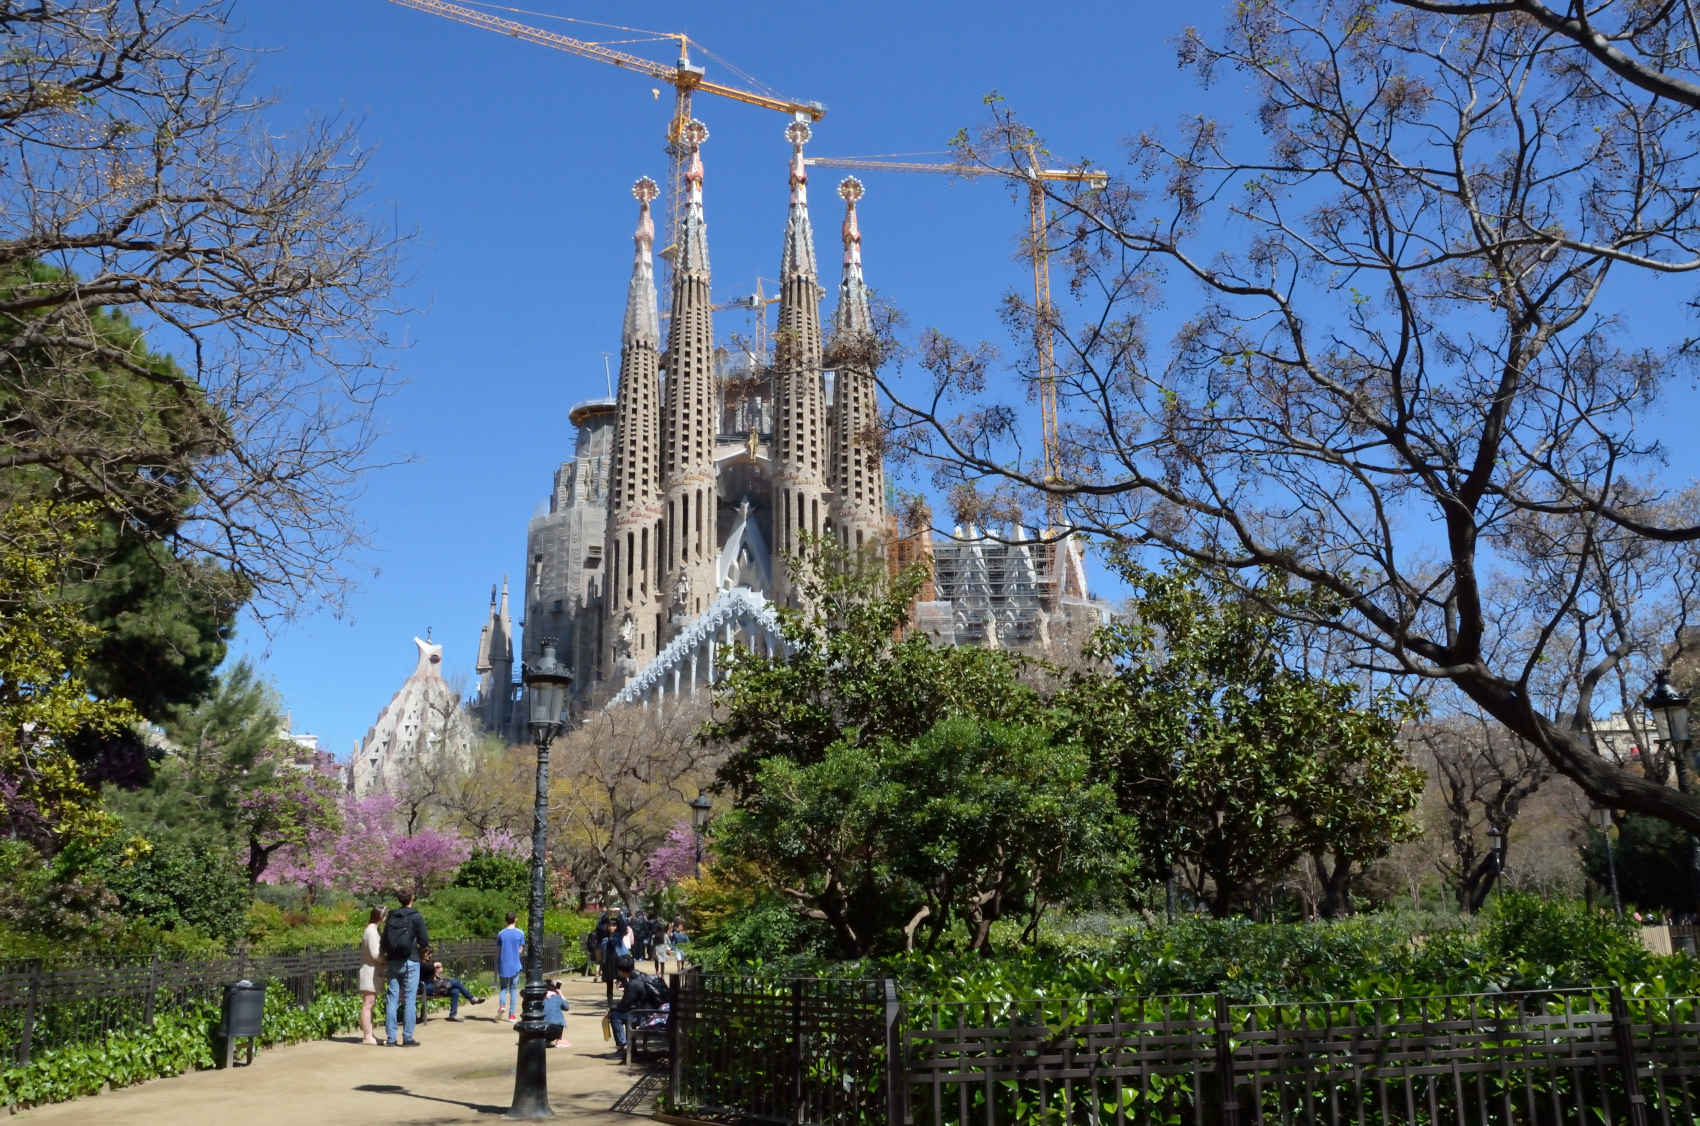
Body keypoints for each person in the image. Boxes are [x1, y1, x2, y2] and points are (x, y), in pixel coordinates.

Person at [382, 888, 430, 1046]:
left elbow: (384, 940)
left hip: (393, 961)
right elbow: (424, 940)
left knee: (392, 998)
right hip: (411, 960)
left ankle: (391, 1038)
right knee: (410, 999)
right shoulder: (416, 916)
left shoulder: (391, 916)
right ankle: (407, 1037)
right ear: (412, 899)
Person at [606, 955, 667, 1059]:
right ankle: (631, 1048)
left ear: (621, 971)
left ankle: (623, 1047)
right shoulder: (641, 975)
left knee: (615, 1016)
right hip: (653, 1011)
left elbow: (624, 1005)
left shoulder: (633, 984)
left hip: (645, 1015)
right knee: (625, 1014)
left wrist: (611, 1009)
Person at [420, 947, 484, 1020]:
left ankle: (452, 1015)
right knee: (455, 981)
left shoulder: (428, 963)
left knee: (455, 991)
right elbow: (424, 968)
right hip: (426, 987)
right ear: (422, 953)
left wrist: (437, 972)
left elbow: (433, 973)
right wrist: (435, 965)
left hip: (434, 986)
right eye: (428, 953)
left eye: (431, 953)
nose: (430, 955)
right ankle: (471, 998)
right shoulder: (419, 963)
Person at [357, 906, 385, 1045]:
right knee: (368, 1004)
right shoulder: (372, 931)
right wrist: (386, 960)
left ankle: (369, 1034)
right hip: (369, 971)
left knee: (370, 1003)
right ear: (380, 916)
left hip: (371, 971)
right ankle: (367, 1036)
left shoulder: (373, 930)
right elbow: (375, 954)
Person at [496, 912, 525, 1022]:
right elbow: (521, 949)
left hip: (503, 963)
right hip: (515, 964)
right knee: (513, 990)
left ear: (506, 920)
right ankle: (511, 1015)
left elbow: (498, 950)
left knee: (503, 988)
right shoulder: (520, 933)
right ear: (515, 919)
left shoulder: (501, 933)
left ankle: (502, 1005)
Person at [598, 917, 624, 1004]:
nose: (612, 927)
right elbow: (602, 955)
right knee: (609, 983)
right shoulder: (604, 940)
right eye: (610, 925)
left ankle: (627, 998)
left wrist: (619, 915)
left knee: (623, 980)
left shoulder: (619, 936)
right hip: (608, 962)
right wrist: (601, 967)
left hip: (619, 961)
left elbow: (623, 926)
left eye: (614, 925)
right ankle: (610, 1001)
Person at [543, 979, 570, 1048]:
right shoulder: (557, 997)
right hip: (557, 1030)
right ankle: (559, 1040)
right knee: (558, 1017)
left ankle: (545, 1040)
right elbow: (567, 1007)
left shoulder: (540, 998)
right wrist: (560, 994)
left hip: (542, 1030)